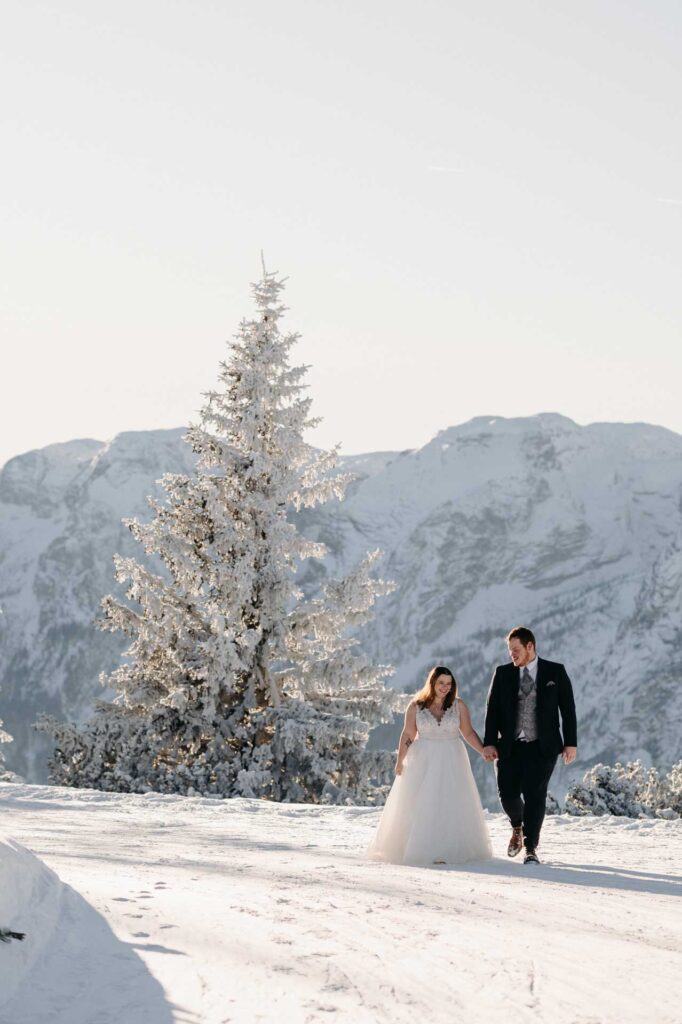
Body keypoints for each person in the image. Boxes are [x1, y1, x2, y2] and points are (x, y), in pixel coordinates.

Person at [369, 666, 492, 866]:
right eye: (441, 683)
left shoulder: (458, 706)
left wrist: (483, 750)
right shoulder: (416, 706)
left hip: (452, 758)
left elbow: (468, 732)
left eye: (449, 683)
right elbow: (408, 734)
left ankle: (447, 849)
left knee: (449, 802)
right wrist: (400, 761)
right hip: (423, 759)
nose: (445, 687)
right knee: (420, 803)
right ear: (432, 683)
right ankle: (418, 847)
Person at [482, 626, 578, 865]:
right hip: (510, 747)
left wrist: (571, 743)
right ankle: (517, 826)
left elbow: (568, 709)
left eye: (516, 650)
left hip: (542, 748)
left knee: (535, 796)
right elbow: (492, 711)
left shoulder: (555, 672)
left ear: (530, 646)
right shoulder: (502, 673)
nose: (511, 654)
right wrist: (489, 742)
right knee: (508, 795)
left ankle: (531, 848)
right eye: (509, 650)